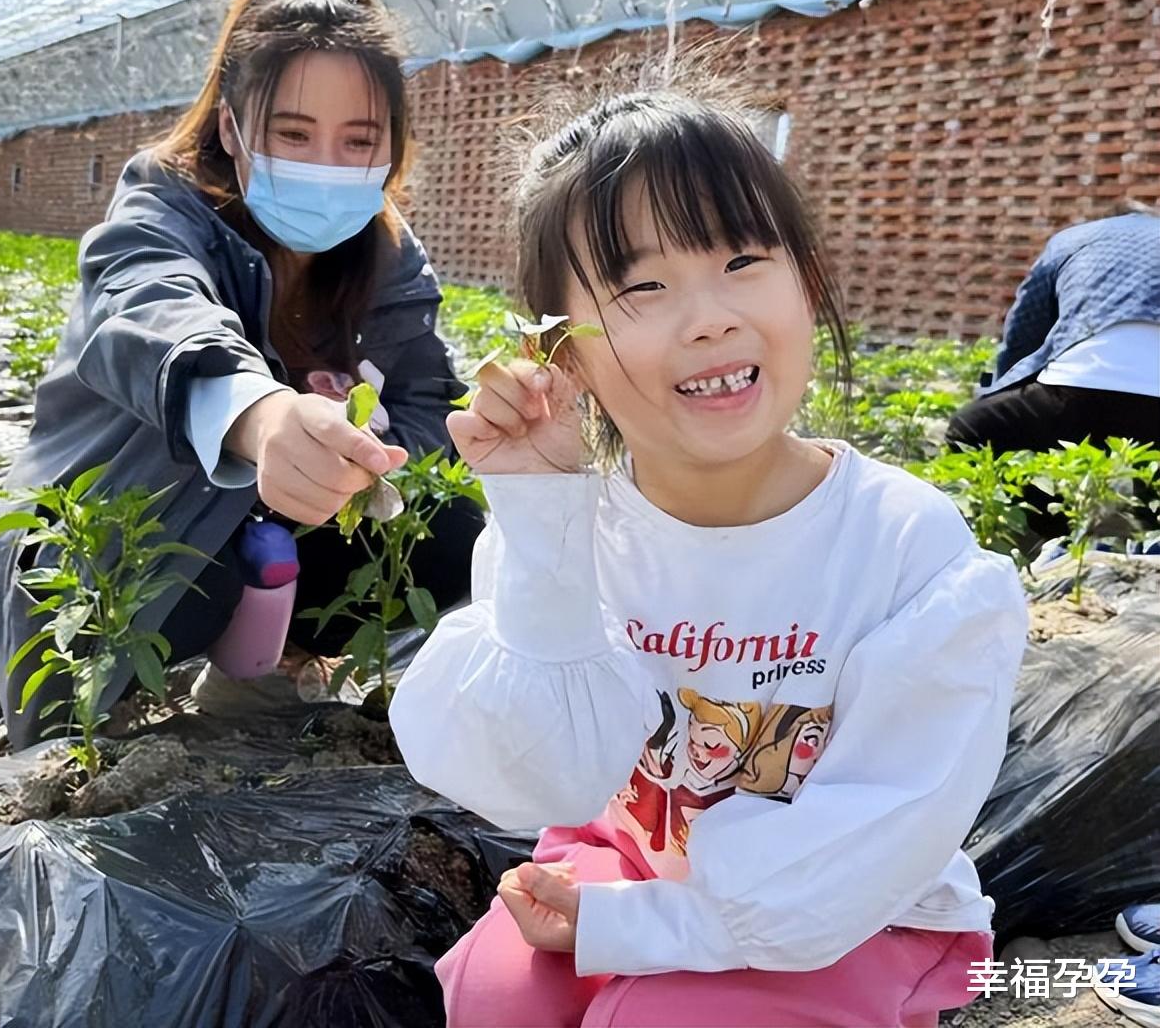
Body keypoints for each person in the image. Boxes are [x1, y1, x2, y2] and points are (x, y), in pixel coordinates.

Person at [389, 90, 1029, 1027]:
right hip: (633, 855)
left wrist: (634, 930)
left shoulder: (906, 549)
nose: (708, 318)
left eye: (742, 260)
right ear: (561, 352)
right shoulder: (581, 525)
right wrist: (537, 514)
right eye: (641, 286)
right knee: (493, 1000)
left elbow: (857, 856)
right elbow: (539, 782)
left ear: (805, 282)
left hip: (849, 910)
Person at [0, 0, 482, 747]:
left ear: (392, 147)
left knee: (450, 536)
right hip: (126, 520)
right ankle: (119, 722)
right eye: (294, 133)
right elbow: (151, 312)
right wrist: (265, 418)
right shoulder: (164, 207)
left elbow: (424, 401)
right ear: (234, 128)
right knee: (172, 587)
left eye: (358, 140)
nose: (326, 166)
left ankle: (276, 665)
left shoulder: (384, 249)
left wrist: (364, 452)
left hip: (286, 518)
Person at [947, 209, 1160, 456]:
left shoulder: (1073, 240)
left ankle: (1037, 496)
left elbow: (1024, 333)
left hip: (1075, 392)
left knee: (968, 430)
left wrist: (1002, 388)